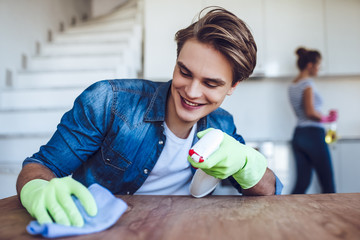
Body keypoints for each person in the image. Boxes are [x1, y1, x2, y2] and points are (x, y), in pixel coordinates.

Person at [17, 7, 283, 227]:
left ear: (233, 86)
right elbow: (39, 166)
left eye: (211, 84)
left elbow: (268, 191)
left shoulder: (223, 125)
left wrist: (247, 163)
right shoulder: (109, 101)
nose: (191, 92)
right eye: (185, 72)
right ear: (176, 60)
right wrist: (38, 189)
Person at [288, 47, 337, 194]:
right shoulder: (307, 84)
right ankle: (334, 216)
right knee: (327, 182)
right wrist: (327, 118)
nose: (319, 69)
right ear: (310, 65)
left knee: (302, 184)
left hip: (299, 134)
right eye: (318, 65)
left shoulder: (292, 85)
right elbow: (310, 112)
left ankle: (288, 214)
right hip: (313, 134)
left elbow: (304, 111)